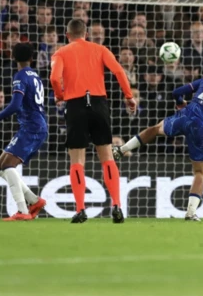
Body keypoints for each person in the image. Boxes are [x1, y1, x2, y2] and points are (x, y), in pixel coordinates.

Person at [113, 61, 203, 221]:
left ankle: (121, 150)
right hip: (202, 127)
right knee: (199, 172)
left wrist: (180, 103)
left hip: (186, 115)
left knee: (155, 129)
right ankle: (190, 212)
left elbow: (176, 92)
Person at [49, 19, 137, 224]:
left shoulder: (61, 53)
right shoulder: (100, 49)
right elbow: (118, 71)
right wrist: (128, 95)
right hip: (98, 103)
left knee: (77, 160)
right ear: (86, 33)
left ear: (67, 34)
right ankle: (116, 204)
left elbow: (54, 78)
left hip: (75, 105)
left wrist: (60, 95)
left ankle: (80, 209)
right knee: (106, 156)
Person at [0, 43, 48, 221]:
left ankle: (23, 211)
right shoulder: (35, 75)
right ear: (31, 58)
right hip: (33, 126)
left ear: (13, 57)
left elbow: (15, 106)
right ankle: (34, 200)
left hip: (32, 127)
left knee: (8, 166)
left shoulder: (20, 76)